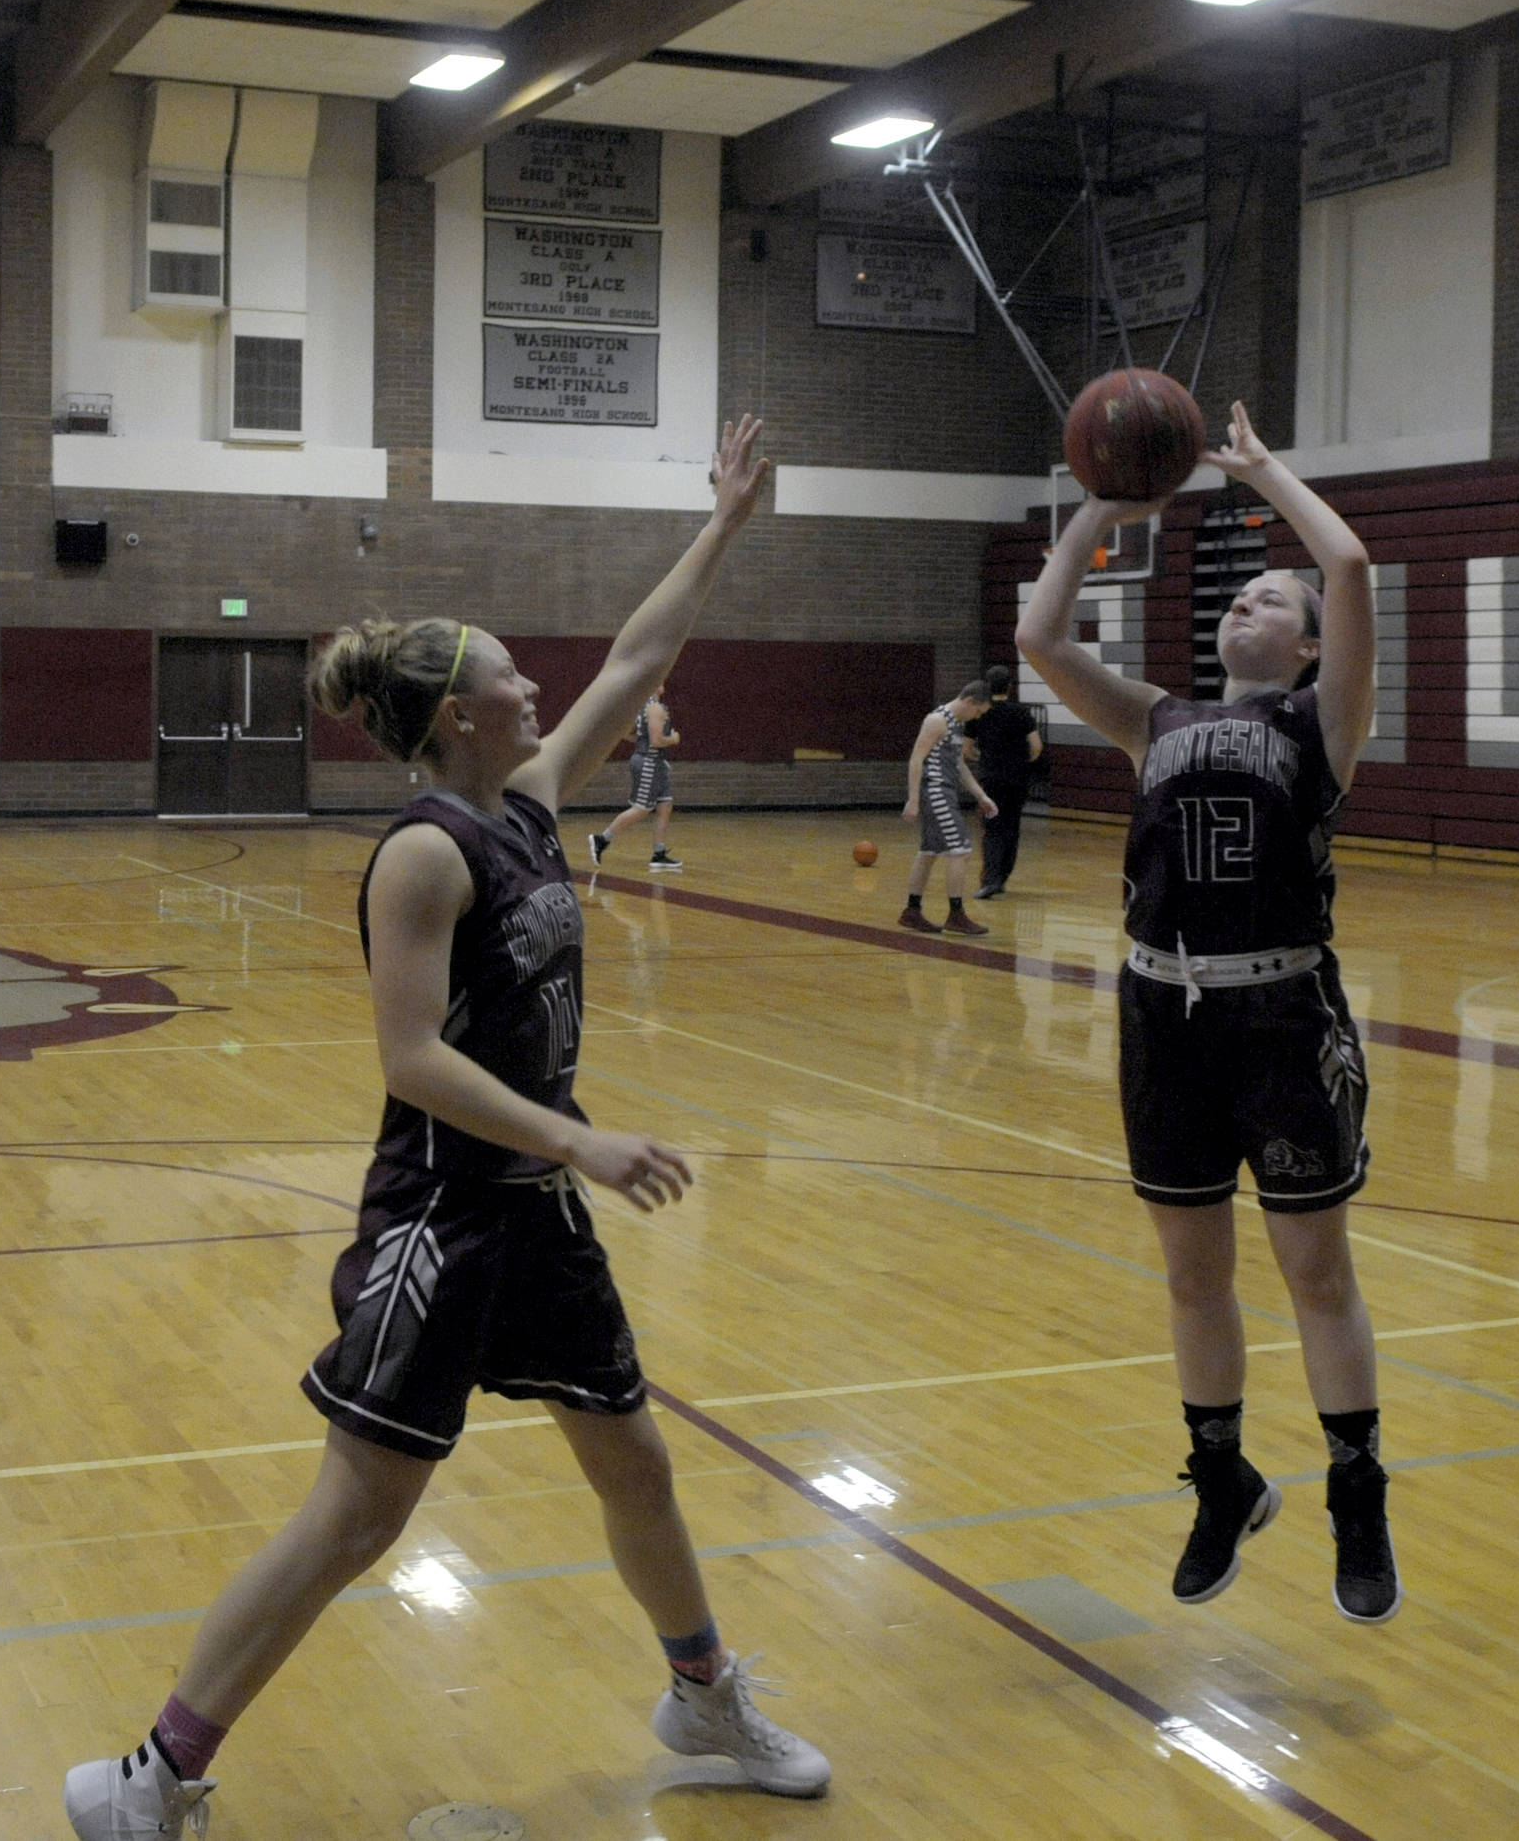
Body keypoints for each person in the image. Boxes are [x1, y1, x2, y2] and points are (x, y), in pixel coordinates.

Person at [61, 420, 829, 1841]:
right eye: (509, 674)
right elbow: (409, 1058)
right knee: (359, 1514)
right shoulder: (424, 851)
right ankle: (151, 1776)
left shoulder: (528, 811)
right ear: (460, 712)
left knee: (634, 1458)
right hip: (444, 1214)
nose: (538, 682)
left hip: (534, 1211)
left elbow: (633, 666)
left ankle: (704, 1694)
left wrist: (723, 525)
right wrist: (578, 1137)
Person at [1016, 402, 1397, 1624]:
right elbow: (1037, 632)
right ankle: (1221, 1472)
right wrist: (1097, 506)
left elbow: (1345, 562)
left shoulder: (1318, 723)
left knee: (1310, 1267)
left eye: (1268, 604)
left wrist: (1257, 470)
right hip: (1158, 1012)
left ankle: (1353, 1488)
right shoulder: (1157, 718)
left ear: (1301, 646)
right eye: (1236, 599)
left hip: (1280, 1012)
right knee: (1191, 1274)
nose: (1248, 606)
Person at [898, 681, 994, 937]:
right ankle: (956, 915)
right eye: (979, 711)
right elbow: (916, 759)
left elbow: (959, 764)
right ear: (970, 701)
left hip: (944, 790)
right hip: (937, 791)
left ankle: (912, 911)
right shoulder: (937, 720)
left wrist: (981, 795)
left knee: (929, 851)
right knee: (960, 850)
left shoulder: (956, 723)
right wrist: (913, 799)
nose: (978, 716)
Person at [588, 684, 682, 873]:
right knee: (642, 809)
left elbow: (626, 733)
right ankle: (602, 839)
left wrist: (643, 740)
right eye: (660, 679)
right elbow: (656, 741)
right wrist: (673, 739)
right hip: (649, 761)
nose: (664, 683)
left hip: (655, 761)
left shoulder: (644, 706)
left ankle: (659, 854)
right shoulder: (655, 708)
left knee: (665, 805)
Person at [970, 666, 1043, 900]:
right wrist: (1022, 761)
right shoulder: (1021, 713)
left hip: (991, 780)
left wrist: (984, 759)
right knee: (1012, 828)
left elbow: (967, 749)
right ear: (1010, 686)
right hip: (1018, 780)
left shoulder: (980, 713)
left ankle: (990, 880)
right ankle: (1001, 879)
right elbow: (1036, 747)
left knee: (992, 829)